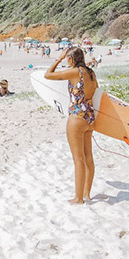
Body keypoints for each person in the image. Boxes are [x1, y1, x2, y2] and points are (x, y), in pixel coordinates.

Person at [44, 47, 97, 205]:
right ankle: (87, 193)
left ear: (71, 59)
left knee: (78, 160)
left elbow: (48, 75)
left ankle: (78, 198)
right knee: (88, 158)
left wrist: (58, 59)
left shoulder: (75, 72)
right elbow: (96, 93)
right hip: (89, 117)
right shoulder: (91, 73)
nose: (67, 60)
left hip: (76, 119)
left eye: (67, 58)